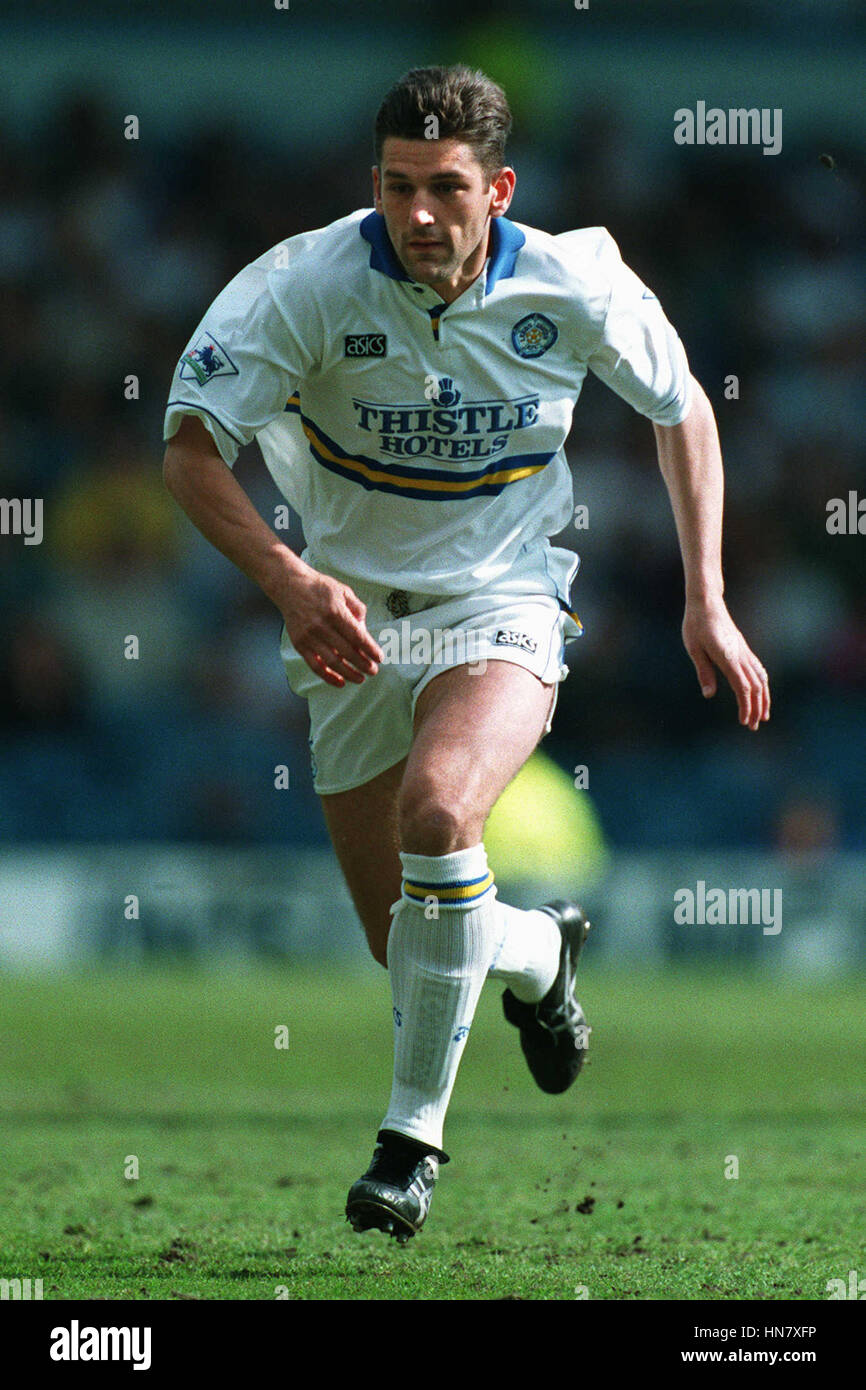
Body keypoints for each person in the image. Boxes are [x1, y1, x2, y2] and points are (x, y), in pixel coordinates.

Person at [162, 64, 771, 1243]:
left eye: (445, 187)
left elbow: (680, 406)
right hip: (346, 617)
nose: (419, 214)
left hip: (503, 600)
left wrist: (706, 596)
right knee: (406, 940)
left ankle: (407, 1146)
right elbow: (189, 448)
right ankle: (541, 953)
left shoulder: (573, 279)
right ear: (373, 185)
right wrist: (289, 583)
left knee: (442, 816)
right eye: (396, 186)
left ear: (497, 187)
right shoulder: (297, 287)